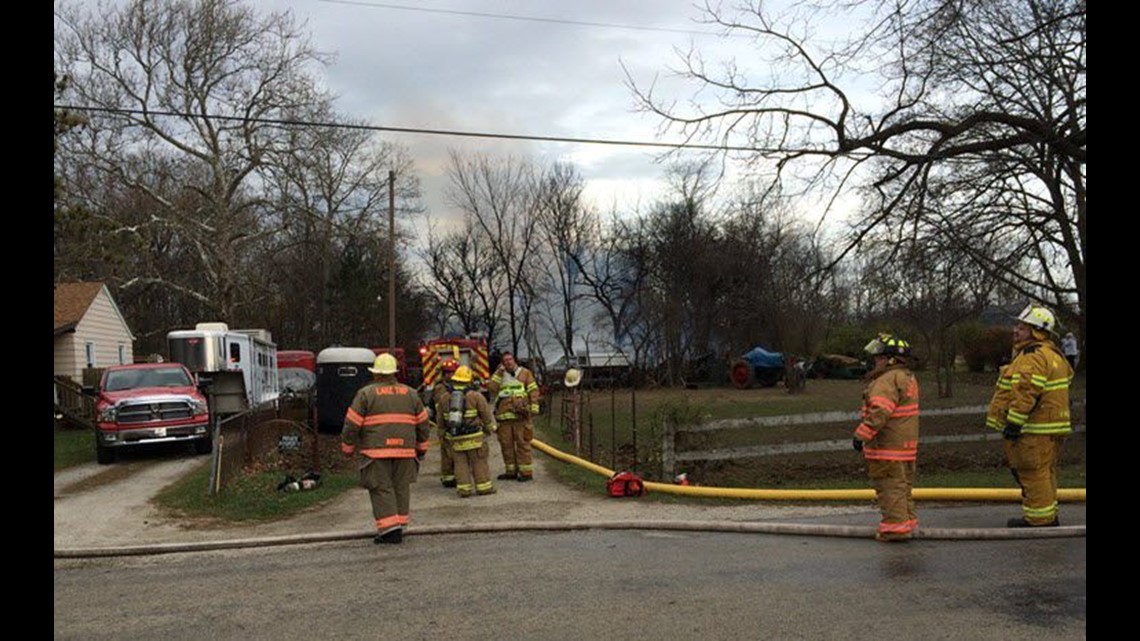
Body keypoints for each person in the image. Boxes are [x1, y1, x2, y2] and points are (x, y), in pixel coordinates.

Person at [986, 304, 1073, 527]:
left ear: (1037, 331)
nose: (1016, 330)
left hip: (1033, 429)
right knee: (1044, 472)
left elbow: (1026, 391)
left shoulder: (1032, 356)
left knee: (1032, 473)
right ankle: (1048, 515)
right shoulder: (1054, 355)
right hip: (1051, 426)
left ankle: (1039, 520)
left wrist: (1014, 423)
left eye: (1022, 327)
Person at [341, 353, 430, 544]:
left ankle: (390, 531)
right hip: (406, 451)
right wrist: (421, 449)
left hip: (376, 452)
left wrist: (347, 447)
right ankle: (400, 525)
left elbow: (352, 424)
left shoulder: (366, 394)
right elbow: (423, 424)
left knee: (381, 488)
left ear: (376, 373)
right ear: (394, 373)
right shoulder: (411, 393)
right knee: (401, 487)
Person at [852, 333, 920, 542]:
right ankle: (906, 523)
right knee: (902, 489)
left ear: (890, 359)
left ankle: (895, 530)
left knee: (890, 489)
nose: (875, 361)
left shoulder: (886, 380)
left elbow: (880, 410)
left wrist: (861, 435)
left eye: (879, 357)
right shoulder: (906, 377)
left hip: (887, 447)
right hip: (904, 447)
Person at [435, 365, 498, 497]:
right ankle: (483, 487)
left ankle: (464, 489)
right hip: (474, 437)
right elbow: (485, 415)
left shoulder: (445, 397)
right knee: (479, 462)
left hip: (456, 438)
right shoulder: (475, 396)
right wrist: (489, 428)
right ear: (468, 380)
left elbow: (440, 420)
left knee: (460, 464)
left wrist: (441, 435)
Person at [486, 350, 541, 481]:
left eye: (510, 359)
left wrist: (533, 407)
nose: (508, 362)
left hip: (521, 416)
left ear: (514, 360)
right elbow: (492, 388)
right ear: (502, 363)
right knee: (506, 445)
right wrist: (499, 372)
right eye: (505, 360)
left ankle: (526, 473)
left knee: (523, 444)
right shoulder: (499, 375)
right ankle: (510, 471)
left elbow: (533, 390)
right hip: (504, 417)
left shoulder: (525, 373)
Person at [430, 357, 461, 488]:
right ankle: (448, 477)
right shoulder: (440, 388)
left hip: (457, 423)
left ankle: (459, 474)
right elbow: (440, 408)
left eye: (452, 372)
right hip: (445, 424)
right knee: (447, 452)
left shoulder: (457, 385)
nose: (450, 375)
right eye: (448, 372)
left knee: (458, 451)